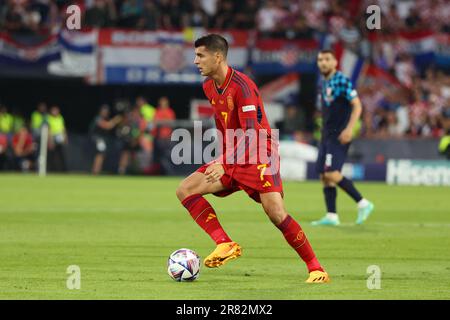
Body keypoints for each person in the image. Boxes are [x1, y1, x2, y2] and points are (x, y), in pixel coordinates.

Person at [175, 34, 329, 283]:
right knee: (186, 189)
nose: (195, 61)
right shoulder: (209, 86)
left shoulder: (243, 87)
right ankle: (224, 243)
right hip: (232, 156)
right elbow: (222, 121)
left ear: (217, 57)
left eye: (200, 55)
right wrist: (223, 157)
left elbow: (250, 133)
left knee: (276, 213)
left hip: (259, 153)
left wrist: (224, 162)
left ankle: (316, 269)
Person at [312, 50, 374, 227]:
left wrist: (349, 129)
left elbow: (357, 106)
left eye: (327, 59)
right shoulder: (324, 82)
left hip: (338, 135)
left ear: (335, 62)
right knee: (324, 175)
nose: (323, 62)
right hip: (326, 135)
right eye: (320, 59)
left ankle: (363, 203)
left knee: (332, 172)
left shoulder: (341, 80)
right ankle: (331, 215)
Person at [90, 104, 122, 175]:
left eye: (106, 111)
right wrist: (115, 120)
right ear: (100, 111)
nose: (105, 113)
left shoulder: (105, 119)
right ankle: (95, 171)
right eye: (104, 111)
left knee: (101, 154)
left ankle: (96, 170)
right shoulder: (98, 118)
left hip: (101, 139)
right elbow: (107, 126)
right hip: (97, 139)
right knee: (100, 153)